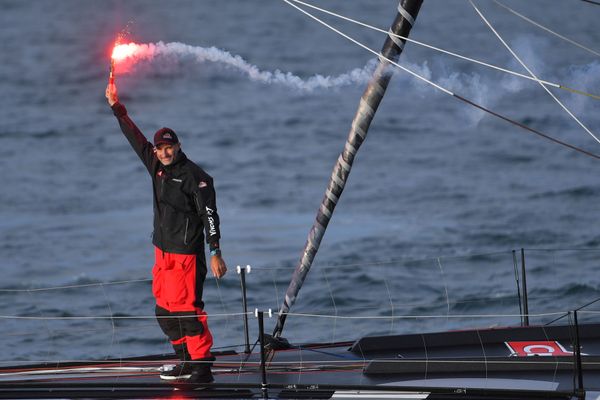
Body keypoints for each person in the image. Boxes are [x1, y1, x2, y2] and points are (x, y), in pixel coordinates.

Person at [105, 81, 227, 384]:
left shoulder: (195, 177)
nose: (164, 152)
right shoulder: (156, 166)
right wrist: (116, 108)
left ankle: (202, 366)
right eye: (160, 148)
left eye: (169, 147)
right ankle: (184, 360)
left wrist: (215, 252)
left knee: (188, 310)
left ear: (179, 146)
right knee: (163, 310)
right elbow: (135, 138)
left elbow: (209, 214)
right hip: (162, 251)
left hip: (186, 255)